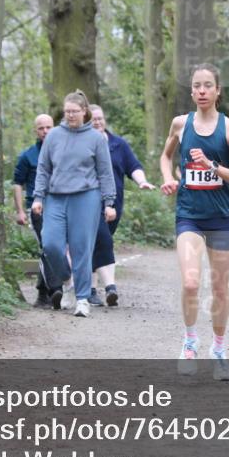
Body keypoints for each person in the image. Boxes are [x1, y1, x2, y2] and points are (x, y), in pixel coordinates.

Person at [160, 63, 229, 381]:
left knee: (220, 288)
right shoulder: (181, 125)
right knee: (191, 282)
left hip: (221, 218)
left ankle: (219, 350)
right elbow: (165, 156)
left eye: (207, 85)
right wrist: (168, 178)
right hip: (189, 217)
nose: (201, 91)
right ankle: (189, 342)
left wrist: (213, 166)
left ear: (217, 90)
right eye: (196, 85)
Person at [32, 91, 117, 318]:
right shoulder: (54, 136)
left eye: (74, 111)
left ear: (84, 112)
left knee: (81, 249)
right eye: (67, 111)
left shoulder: (96, 138)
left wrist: (109, 202)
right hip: (56, 197)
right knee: (50, 244)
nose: (70, 115)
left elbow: (105, 173)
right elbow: (43, 168)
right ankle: (67, 280)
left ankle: (82, 299)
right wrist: (38, 197)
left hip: (86, 196)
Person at [88, 104, 155, 307]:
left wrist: (141, 181)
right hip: (91, 203)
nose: (98, 122)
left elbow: (133, 166)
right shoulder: (85, 145)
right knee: (101, 241)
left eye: (100, 118)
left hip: (114, 205)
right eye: (93, 120)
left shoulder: (118, 144)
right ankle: (105, 288)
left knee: (100, 243)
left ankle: (92, 290)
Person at [12, 114, 54, 306]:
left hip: (60, 207)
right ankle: (46, 292)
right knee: (46, 247)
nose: (45, 131)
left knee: (57, 248)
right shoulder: (27, 155)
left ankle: (53, 290)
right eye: (41, 128)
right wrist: (20, 211)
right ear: (35, 131)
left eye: (48, 127)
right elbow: (17, 184)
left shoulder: (61, 152)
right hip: (36, 209)